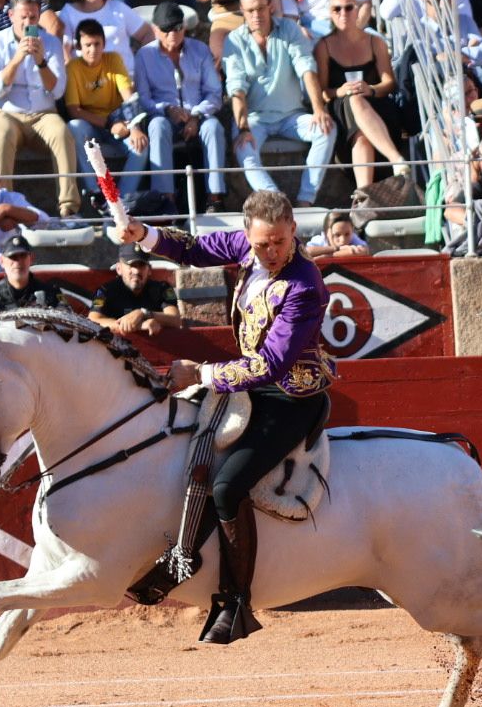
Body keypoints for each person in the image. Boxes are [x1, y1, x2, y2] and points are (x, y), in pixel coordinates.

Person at [116, 189, 336, 645]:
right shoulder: (245, 247)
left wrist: (203, 372)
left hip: (291, 397)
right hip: (252, 387)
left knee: (228, 485)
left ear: (293, 229)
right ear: (248, 236)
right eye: (262, 245)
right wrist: (144, 235)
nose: (272, 252)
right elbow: (195, 248)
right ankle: (181, 556)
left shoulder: (303, 283)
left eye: (279, 241)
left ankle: (236, 601)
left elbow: (272, 363)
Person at [225, 0, 336, 210]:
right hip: (255, 118)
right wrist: (244, 127)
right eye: (250, 10)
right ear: (242, 12)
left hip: (291, 115)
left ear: (271, 7)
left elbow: (306, 68)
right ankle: (278, 203)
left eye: (260, 8)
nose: (256, 15)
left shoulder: (289, 28)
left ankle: (305, 200)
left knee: (327, 129)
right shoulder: (234, 40)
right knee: (243, 147)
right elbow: (236, 88)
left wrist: (318, 109)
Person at [0, 0, 80, 219]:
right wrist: (17, 59)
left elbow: (57, 92)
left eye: (33, 17)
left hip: (43, 113)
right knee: (1, 134)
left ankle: (69, 208)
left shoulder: (51, 43)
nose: (28, 22)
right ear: (11, 16)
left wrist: (41, 62)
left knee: (61, 132)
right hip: (6, 113)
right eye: (23, 17)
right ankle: (3, 204)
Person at [132, 0, 225, 210]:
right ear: (155, 29)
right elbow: (144, 98)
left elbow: (214, 93)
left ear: (184, 28)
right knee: (157, 126)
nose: (172, 34)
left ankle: (215, 198)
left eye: (177, 28)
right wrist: (167, 109)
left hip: (198, 115)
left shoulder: (200, 50)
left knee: (214, 128)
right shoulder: (144, 56)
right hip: (164, 116)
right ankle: (166, 199)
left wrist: (196, 115)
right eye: (166, 29)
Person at [315, 0, 408, 192]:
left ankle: (362, 197)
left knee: (361, 130)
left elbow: (389, 83)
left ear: (357, 10)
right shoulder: (324, 46)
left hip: (378, 107)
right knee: (355, 104)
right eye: (336, 9)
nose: (343, 13)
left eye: (348, 8)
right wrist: (339, 91)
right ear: (330, 14)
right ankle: (396, 159)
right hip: (342, 109)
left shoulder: (376, 42)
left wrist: (371, 89)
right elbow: (322, 91)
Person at [65, 18, 145, 207]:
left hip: (119, 121)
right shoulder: (73, 68)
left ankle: (120, 200)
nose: (93, 50)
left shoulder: (114, 59)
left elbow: (128, 96)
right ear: (78, 46)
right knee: (74, 127)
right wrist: (109, 124)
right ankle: (96, 192)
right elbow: (73, 110)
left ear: (104, 44)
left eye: (97, 44)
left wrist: (135, 127)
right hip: (93, 124)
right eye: (87, 45)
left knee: (141, 145)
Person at [50, 0, 149, 73]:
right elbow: (65, 51)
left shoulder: (118, 8)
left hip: (125, 80)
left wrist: (143, 62)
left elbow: (148, 33)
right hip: (88, 82)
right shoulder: (69, 13)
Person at [89, 243, 181, 332]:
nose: (136, 271)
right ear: (119, 269)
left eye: (141, 265)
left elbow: (175, 320)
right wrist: (136, 326)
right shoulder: (104, 291)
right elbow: (93, 319)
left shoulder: (163, 288)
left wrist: (144, 314)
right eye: (131, 265)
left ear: (149, 270)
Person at [0, 231, 64, 310]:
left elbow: (66, 321)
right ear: (2, 261)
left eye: (23, 256)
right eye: (13, 257)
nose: (18, 262)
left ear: (31, 258)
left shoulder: (51, 292)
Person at [303, 210, 370, 257]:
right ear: (327, 233)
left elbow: (364, 250)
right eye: (337, 235)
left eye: (347, 234)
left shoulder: (353, 237)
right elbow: (306, 252)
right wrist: (338, 249)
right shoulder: (319, 240)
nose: (343, 240)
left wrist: (326, 256)